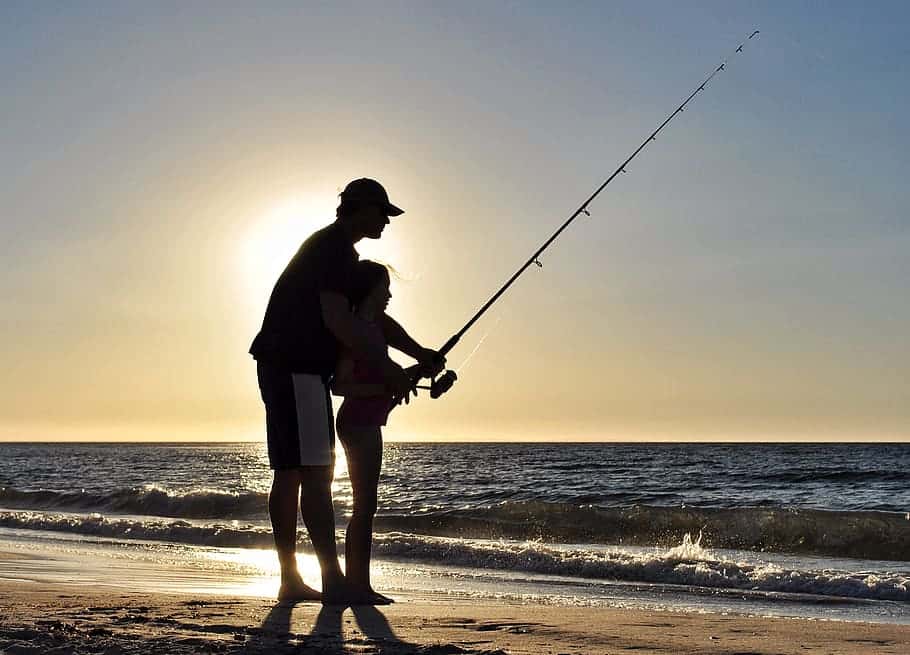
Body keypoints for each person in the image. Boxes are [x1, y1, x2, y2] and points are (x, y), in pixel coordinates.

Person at [249, 178, 443, 604]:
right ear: (359, 209)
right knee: (313, 472)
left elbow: (368, 319)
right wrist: (389, 369)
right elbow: (340, 320)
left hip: (286, 365)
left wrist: (418, 353)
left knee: (291, 471)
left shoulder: (334, 252)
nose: (386, 223)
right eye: (382, 214)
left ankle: (292, 579)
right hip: (297, 367)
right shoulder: (335, 250)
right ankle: (330, 581)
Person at [332, 261, 407, 605]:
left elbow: (388, 374)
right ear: (369, 290)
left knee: (367, 504)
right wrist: (383, 385)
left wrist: (416, 369)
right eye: (384, 288)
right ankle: (358, 586)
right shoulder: (354, 332)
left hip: (367, 422)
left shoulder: (374, 328)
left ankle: (358, 583)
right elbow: (340, 384)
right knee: (365, 504)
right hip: (356, 422)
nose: (389, 294)